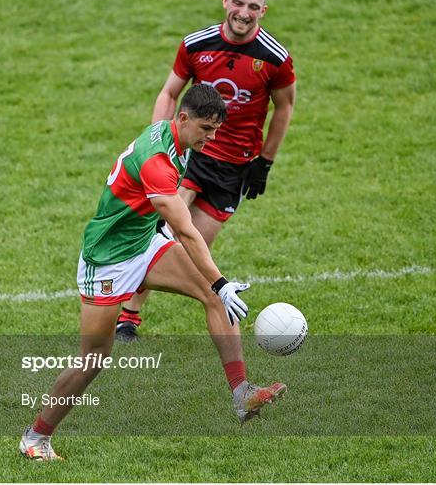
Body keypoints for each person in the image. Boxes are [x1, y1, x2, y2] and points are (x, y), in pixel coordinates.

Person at [19, 84, 286, 461]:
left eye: (215, 130)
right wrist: (222, 280)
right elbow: (185, 230)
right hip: (108, 260)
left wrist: (216, 285)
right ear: (183, 118)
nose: (211, 138)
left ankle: (242, 393)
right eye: (206, 129)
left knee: (211, 296)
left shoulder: (175, 137)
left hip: (144, 243)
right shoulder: (156, 162)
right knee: (94, 358)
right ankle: (35, 437)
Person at [116, 0, 296, 341]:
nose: (243, 13)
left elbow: (285, 107)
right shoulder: (197, 45)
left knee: (191, 244)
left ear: (263, 10)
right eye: (238, 3)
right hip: (194, 154)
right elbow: (170, 92)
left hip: (235, 169)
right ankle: (128, 316)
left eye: (252, 7)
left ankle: (195, 305)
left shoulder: (275, 58)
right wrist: (159, 141)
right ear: (225, 1)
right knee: (165, 231)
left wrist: (265, 162)